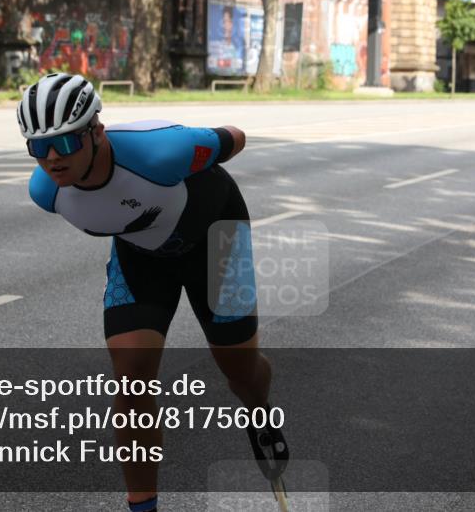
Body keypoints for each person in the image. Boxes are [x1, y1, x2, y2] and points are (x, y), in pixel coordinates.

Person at [18, 73, 287, 512]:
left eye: (65, 143)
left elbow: (235, 137)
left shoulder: (161, 151)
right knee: (131, 376)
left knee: (239, 371)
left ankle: (259, 408)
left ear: (96, 131)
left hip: (216, 238)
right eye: (37, 146)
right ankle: (143, 506)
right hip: (143, 253)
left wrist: (196, 154)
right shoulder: (46, 192)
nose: (51, 158)